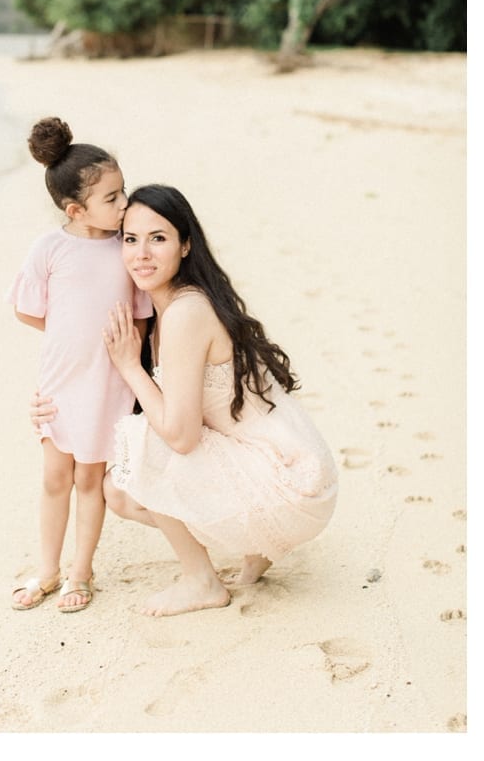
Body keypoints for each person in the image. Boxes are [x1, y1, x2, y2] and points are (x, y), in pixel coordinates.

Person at [34, 184, 338, 617]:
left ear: (185, 245)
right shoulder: (166, 311)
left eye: (158, 238)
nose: (141, 254)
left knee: (132, 466)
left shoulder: (185, 314)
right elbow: (98, 388)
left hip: (292, 487)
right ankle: (258, 548)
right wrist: (47, 407)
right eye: (131, 239)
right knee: (123, 485)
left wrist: (131, 367)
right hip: (297, 472)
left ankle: (202, 580)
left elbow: (180, 436)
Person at [8, 118, 152, 612]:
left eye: (122, 192)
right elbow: (27, 308)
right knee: (54, 478)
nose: (124, 205)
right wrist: (72, 337)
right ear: (75, 208)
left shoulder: (125, 250)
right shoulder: (50, 248)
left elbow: (142, 318)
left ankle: (80, 572)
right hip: (60, 381)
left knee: (89, 480)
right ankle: (47, 569)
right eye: (111, 198)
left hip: (108, 383)